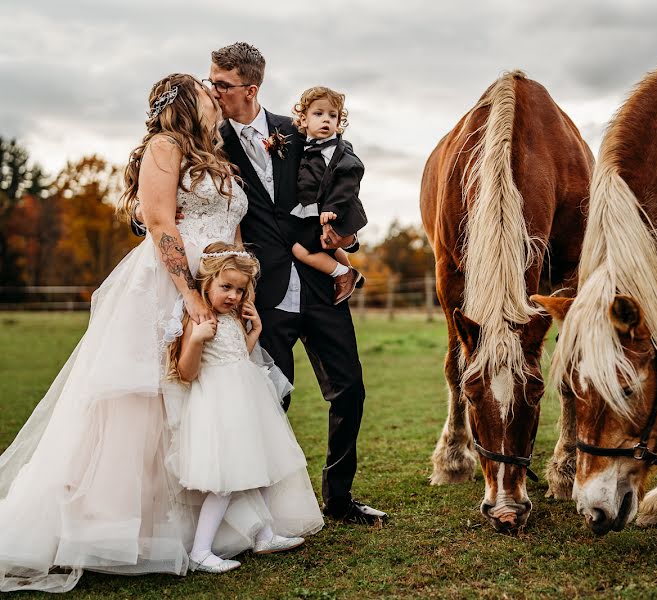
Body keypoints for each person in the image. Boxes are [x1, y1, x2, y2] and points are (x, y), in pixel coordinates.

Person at [0, 73, 274, 592]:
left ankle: (217, 528)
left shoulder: (216, 157)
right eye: (203, 87)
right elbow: (159, 223)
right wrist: (190, 294)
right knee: (147, 402)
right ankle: (126, 530)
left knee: (214, 401)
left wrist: (240, 291)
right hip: (168, 287)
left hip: (222, 286)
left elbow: (235, 234)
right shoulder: (164, 145)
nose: (213, 94)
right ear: (183, 101)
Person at [204, 42, 386, 525]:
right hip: (263, 292)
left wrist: (348, 233)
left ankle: (341, 500)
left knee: (350, 390)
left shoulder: (296, 128)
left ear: (250, 88)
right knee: (270, 398)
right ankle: (262, 507)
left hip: (320, 282)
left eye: (220, 83)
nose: (212, 89)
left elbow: (343, 177)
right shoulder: (210, 139)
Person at [166, 242, 322, 573]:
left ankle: (265, 535)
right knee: (226, 482)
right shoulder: (199, 321)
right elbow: (186, 372)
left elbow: (239, 356)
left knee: (261, 472)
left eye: (239, 289)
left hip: (249, 401)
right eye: (226, 287)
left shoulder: (233, 318)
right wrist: (195, 340)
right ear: (205, 282)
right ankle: (201, 550)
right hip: (220, 408)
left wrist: (256, 332)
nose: (234, 296)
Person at [288, 86, 367, 304]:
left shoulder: (338, 149)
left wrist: (332, 208)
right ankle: (350, 270)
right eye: (318, 114)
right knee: (326, 245)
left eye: (333, 116)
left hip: (334, 211)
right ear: (303, 120)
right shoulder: (304, 147)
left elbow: (348, 179)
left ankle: (342, 274)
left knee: (299, 249)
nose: (326, 120)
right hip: (312, 211)